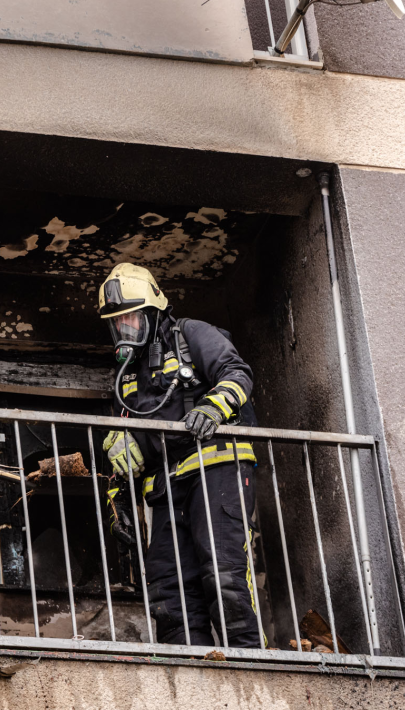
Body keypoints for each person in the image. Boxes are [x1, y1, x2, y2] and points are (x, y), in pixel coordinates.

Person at [98, 262, 263, 648]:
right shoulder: (129, 376)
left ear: (154, 312)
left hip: (217, 468)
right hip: (166, 487)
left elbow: (237, 373)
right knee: (169, 591)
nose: (124, 329)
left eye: (131, 320)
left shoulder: (190, 334)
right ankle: (191, 674)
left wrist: (213, 407)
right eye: (117, 323)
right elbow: (127, 435)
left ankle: (254, 665)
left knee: (224, 572)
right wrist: (118, 457)